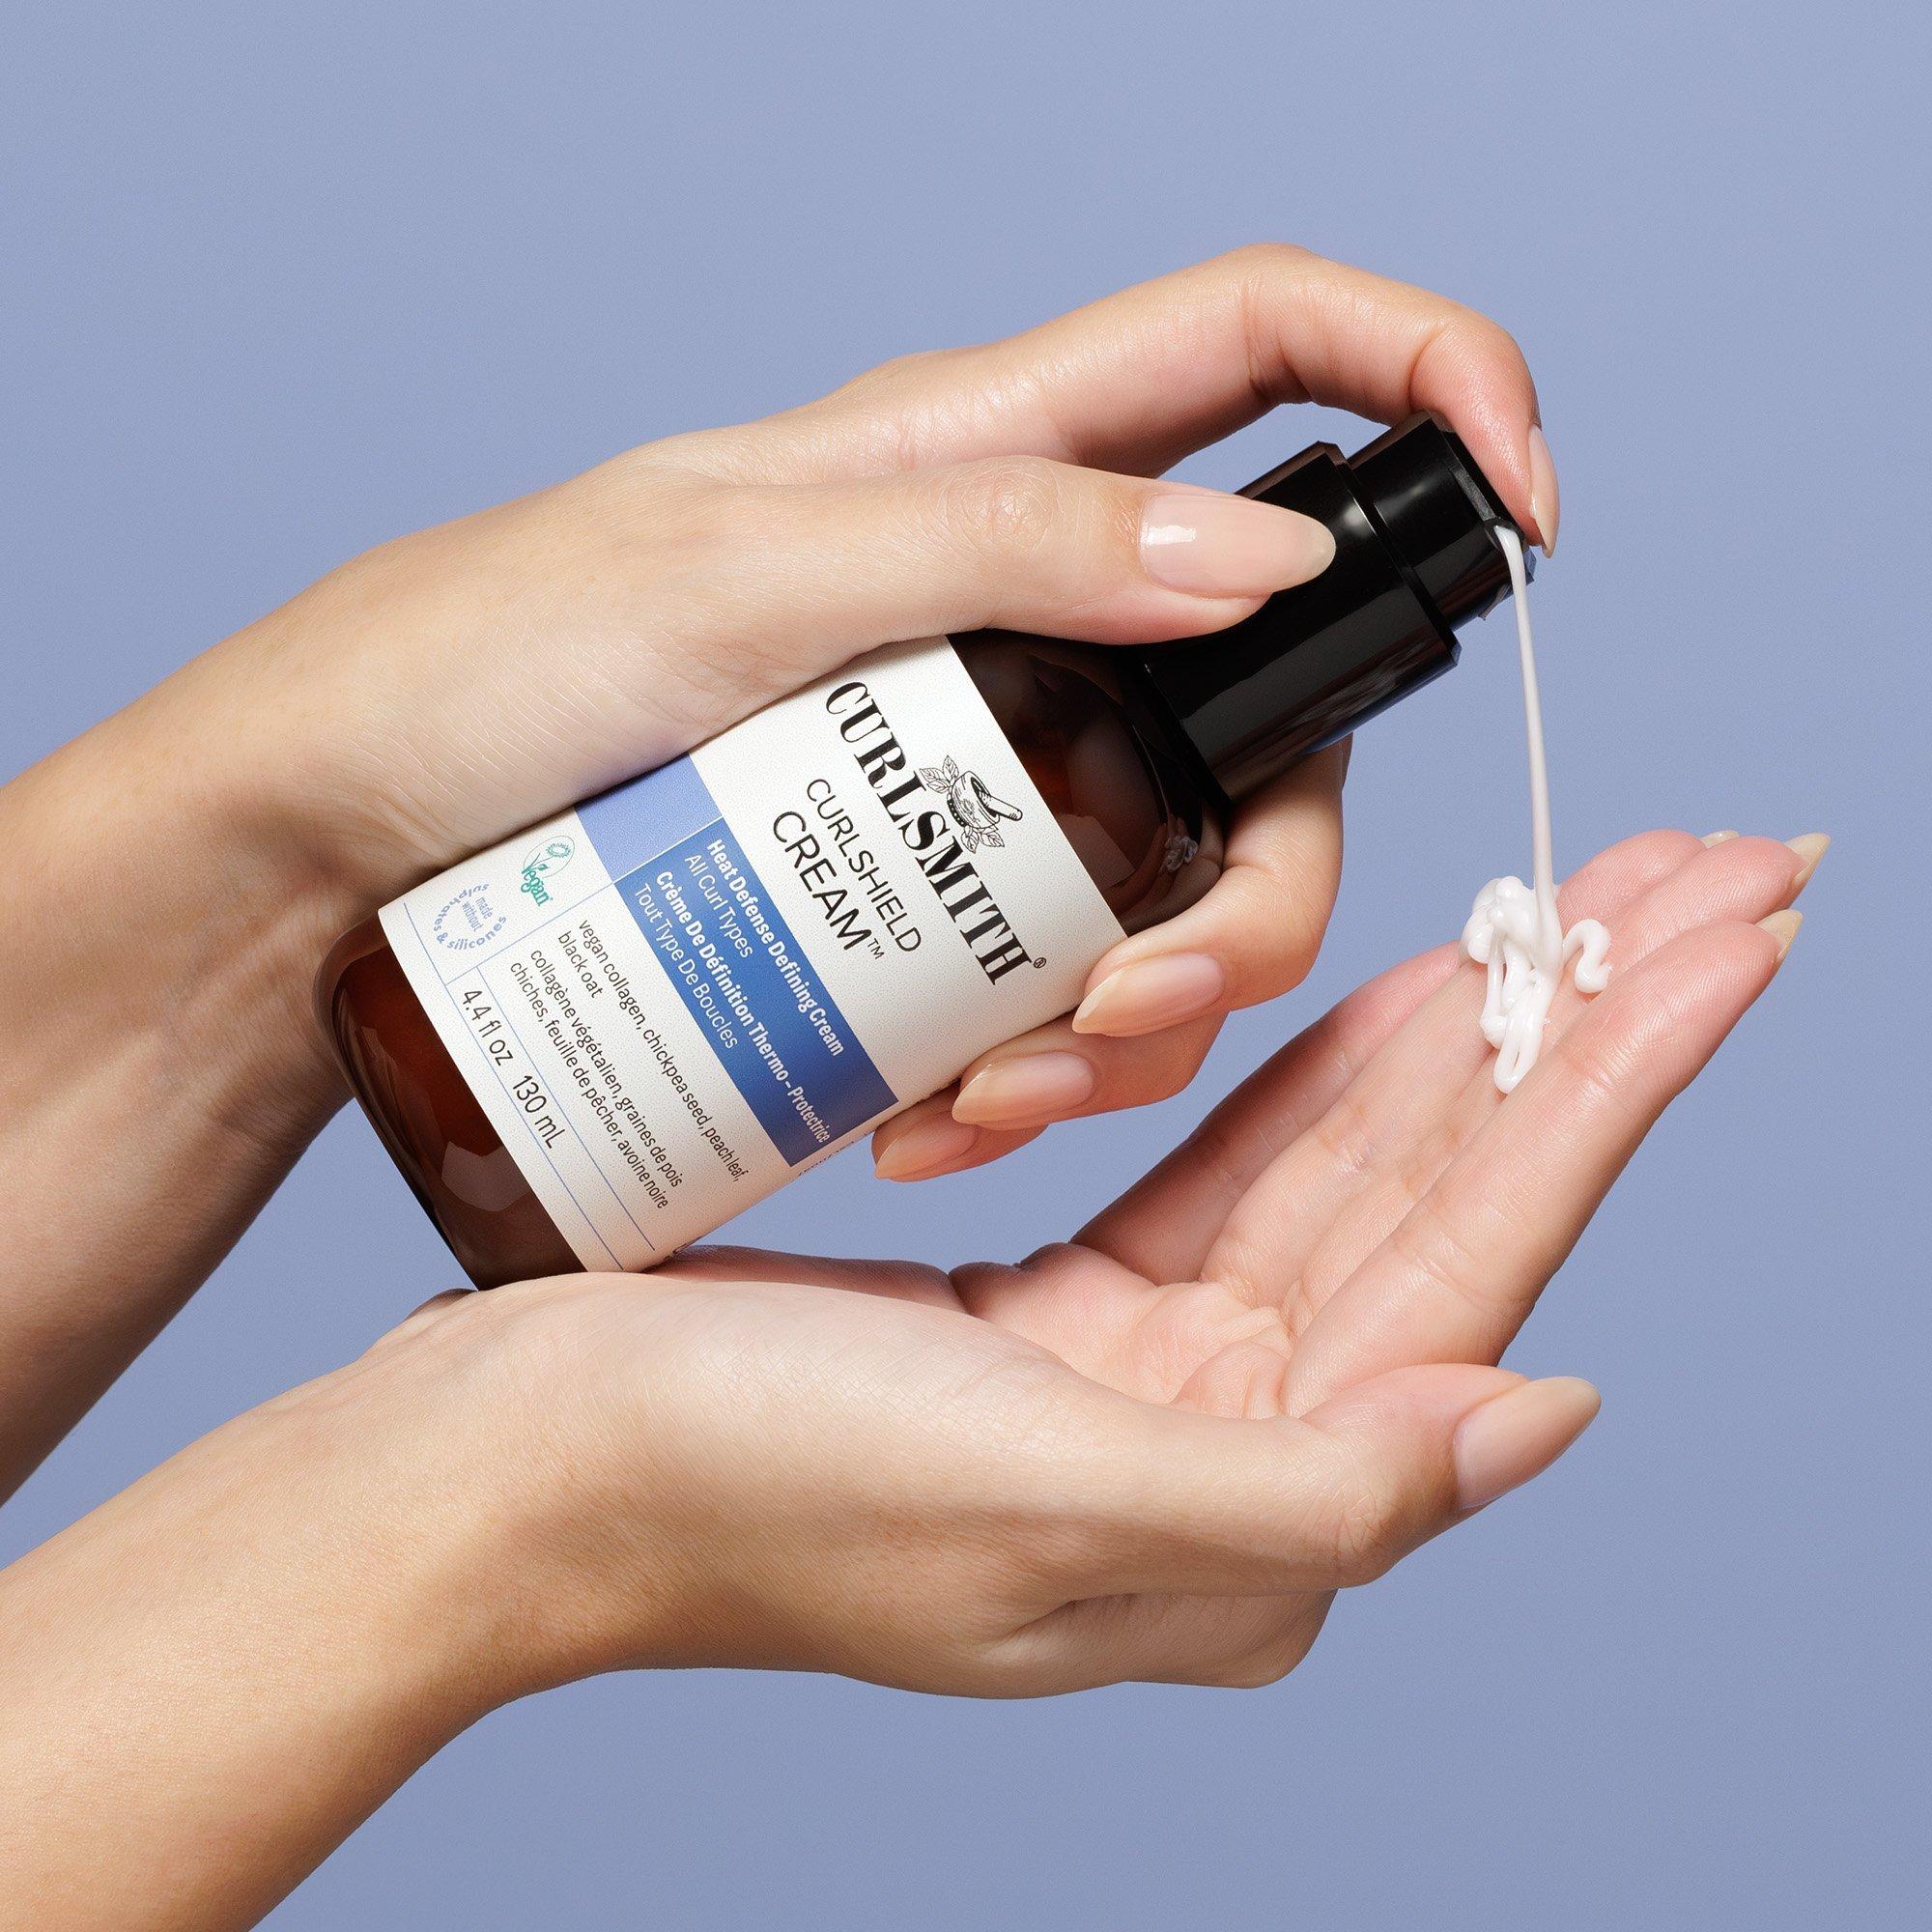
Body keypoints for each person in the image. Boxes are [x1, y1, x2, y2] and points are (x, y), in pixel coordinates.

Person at [0, 247, 1812, 1930]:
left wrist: (274, 875)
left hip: (561, 1101)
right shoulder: (1028, 678)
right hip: (512, 1014)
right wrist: (517, 1498)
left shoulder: (1152, 835)